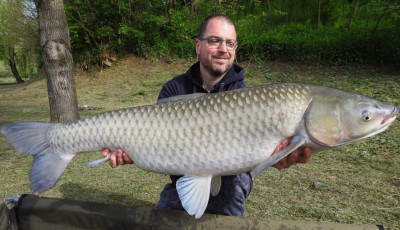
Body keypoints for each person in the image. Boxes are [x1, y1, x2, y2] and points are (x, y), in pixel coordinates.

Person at [102, 14, 312, 216]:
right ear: (198, 46)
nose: (223, 49)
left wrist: (277, 157)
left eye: (230, 43)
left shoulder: (247, 97)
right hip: (184, 175)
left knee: (232, 190)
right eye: (215, 41)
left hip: (231, 185)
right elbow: (158, 142)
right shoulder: (174, 89)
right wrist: (131, 151)